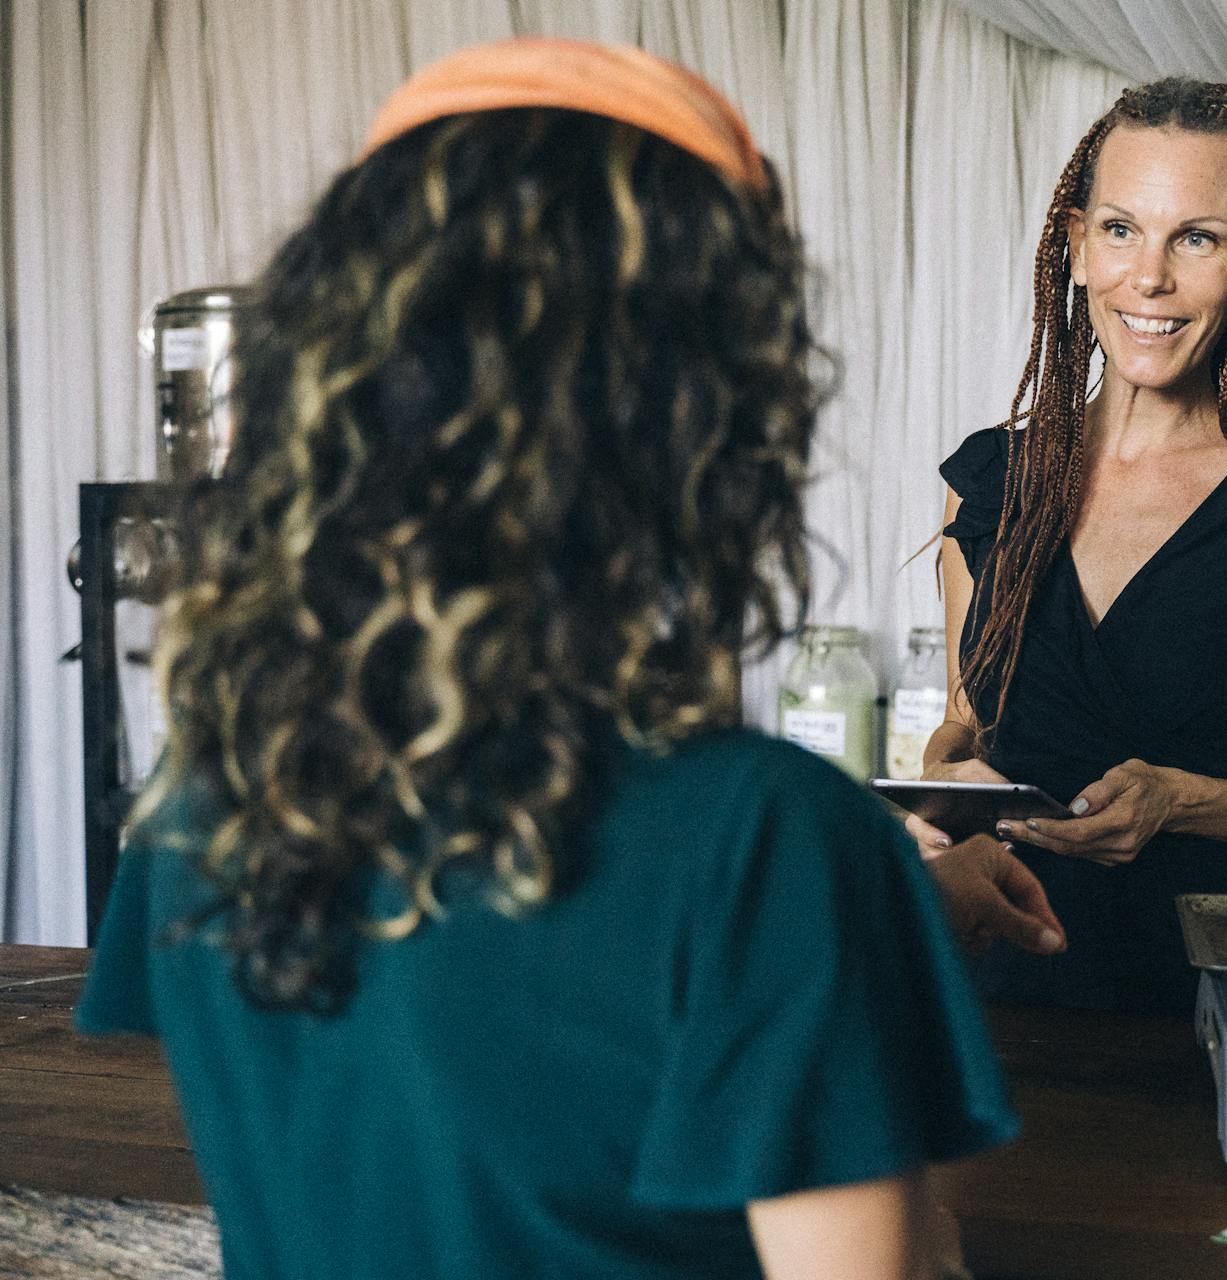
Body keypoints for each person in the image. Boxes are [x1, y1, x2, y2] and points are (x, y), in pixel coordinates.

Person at [76, 38, 1057, 1280]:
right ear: (706, 410)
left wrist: (894, 906)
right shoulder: (769, 838)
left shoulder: (209, 800)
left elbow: (472, 1028)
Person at [910, 78, 1227, 1013]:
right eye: (1119, 229)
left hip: (1210, 983)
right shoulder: (990, 483)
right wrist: (943, 778)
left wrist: (1184, 800)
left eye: (1196, 237)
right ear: (1074, 246)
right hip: (1000, 973)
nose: (1149, 277)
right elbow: (968, 718)